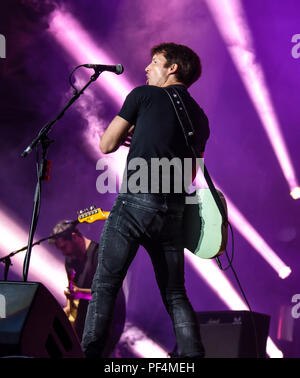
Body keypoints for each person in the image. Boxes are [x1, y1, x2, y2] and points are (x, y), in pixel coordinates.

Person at [82, 42, 210, 358]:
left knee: (106, 284)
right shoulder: (200, 117)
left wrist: (134, 139)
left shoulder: (143, 95)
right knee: (176, 294)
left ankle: (89, 354)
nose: (147, 68)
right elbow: (191, 172)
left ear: (173, 68)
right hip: (173, 212)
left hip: (135, 202)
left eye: (155, 61)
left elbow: (107, 144)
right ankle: (193, 358)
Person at [49, 220, 126, 357]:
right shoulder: (70, 260)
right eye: (60, 249)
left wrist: (80, 294)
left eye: (64, 247)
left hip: (108, 324)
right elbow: (74, 295)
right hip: (85, 323)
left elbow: (110, 294)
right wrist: (68, 312)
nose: (63, 253)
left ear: (74, 237)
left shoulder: (101, 256)